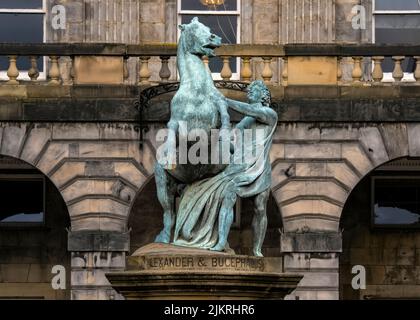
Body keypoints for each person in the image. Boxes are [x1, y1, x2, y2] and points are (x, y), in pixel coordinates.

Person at [173, 80, 278, 257]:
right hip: (240, 166)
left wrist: (224, 101)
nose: (250, 93)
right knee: (227, 195)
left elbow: (253, 110)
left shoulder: (269, 114)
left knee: (260, 207)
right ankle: (221, 241)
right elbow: (232, 138)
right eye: (249, 91)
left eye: (255, 90)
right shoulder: (246, 120)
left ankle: (257, 249)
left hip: (259, 167)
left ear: (263, 95)